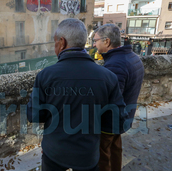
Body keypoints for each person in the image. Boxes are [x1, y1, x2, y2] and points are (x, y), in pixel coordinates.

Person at [27, 18, 127, 171]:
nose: (55, 46)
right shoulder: (108, 77)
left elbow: (33, 115)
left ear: (62, 42)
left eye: (55, 42)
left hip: (54, 152)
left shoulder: (45, 75)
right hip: (88, 155)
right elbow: (117, 121)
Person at [93, 24, 145, 171]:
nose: (94, 44)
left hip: (110, 122)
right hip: (124, 117)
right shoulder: (132, 57)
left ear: (107, 41)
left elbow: (110, 100)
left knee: (102, 156)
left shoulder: (115, 65)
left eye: (96, 40)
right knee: (115, 149)